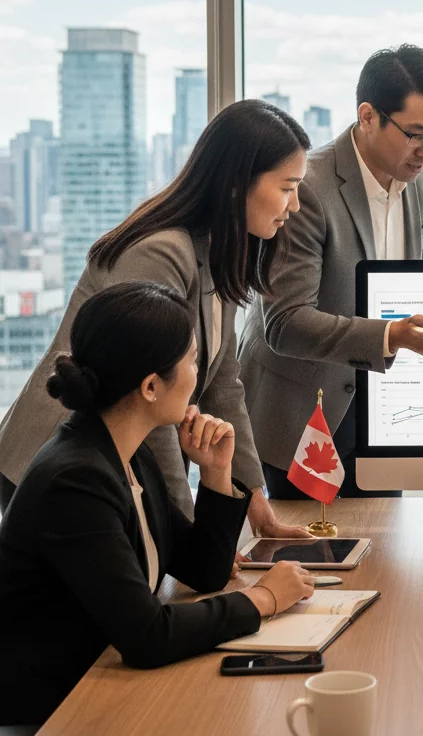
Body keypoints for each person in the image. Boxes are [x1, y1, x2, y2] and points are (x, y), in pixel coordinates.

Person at [0, 283, 315, 726]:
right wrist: (263, 598)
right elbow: (148, 637)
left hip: (104, 684)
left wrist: (216, 473)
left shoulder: (127, 454)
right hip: (54, 715)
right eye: (191, 360)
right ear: (150, 386)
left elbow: (203, 570)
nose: (198, 373)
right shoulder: (76, 480)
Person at [0, 100, 311, 542]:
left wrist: (256, 501)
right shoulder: (163, 252)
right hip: (59, 469)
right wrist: (187, 536)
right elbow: (149, 399)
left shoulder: (215, 249)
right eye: (287, 187)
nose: (295, 205)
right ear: (236, 185)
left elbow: (223, 383)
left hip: (113, 467)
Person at [239, 45, 423, 500]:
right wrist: (392, 336)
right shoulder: (309, 189)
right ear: (368, 117)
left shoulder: (416, 176)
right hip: (303, 410)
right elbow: (284, 324)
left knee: (384, 550)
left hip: (381, 404)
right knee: (317, 560)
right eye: (415, 134)